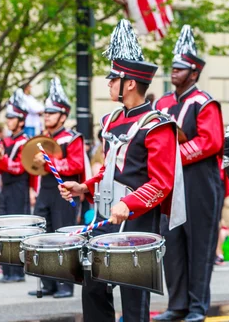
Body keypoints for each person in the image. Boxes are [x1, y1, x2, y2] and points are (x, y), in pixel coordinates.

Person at [60, 19, 183, 322]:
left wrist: (128, 204)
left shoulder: (157, 126)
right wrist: (84, 187)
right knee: (93, 287)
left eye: (113, 78)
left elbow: (161, 182)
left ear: (129, 83)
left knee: (133, 298)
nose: (108, 83)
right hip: (106, 217)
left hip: (138, 221)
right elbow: (109, 170)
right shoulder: (111, 120)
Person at [153, 25, 226, 322]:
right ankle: (177, 304)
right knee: (172, 247)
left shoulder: (204, 102)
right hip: (170, 184)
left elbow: (211, 142)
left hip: (199, 182)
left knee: (200, 246)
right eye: (173, 67)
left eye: (180, 68)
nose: (174, 72)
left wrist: (172, 156)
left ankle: (197, 307)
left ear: (194, 74)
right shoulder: (161, 103)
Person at [29, 77, 88, 299]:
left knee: (63, 237)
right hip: (45, 190)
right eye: (45, 113)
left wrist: (49, 161)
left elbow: (76, 165)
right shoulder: (41, 139)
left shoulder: (72, 138)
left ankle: (66, 284)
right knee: (43, 236)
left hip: (64, 192)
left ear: (63, 115)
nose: (46, 116)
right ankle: (49, 283)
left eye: (51, 113)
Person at [0, 89, 35, 283]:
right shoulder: (5, 140)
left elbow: (19, 168)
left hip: (19, 187)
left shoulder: (25, 142)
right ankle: (8, 271)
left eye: (12, 118)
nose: (8, 121)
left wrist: (1, 159)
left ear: (21, 120)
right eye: (8, 117)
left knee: (17, 228)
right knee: (4, 228)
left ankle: (18, 272)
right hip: (6, 188)